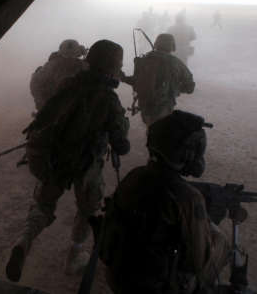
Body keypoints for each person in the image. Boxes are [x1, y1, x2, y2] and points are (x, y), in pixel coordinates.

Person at [5, 39, 130, 282]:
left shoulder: (69, 84)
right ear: (112, 66)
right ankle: (74, 257)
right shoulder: (108, 99)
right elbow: (122, 145)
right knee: (88, 210)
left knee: (43, 205)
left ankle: (24, 242)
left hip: (56, 158)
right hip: (86, 166)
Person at [98, 110, 231, 294]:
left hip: (117, 279)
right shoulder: (188, 197)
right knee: (221, 240)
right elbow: (196, 262)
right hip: (154, 287)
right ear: (186, 154)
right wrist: (203, 222)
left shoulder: (133, 176)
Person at [121, 33, 195, 127]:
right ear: (172, 45)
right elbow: (190, 88)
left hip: (144, 105)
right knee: (161, 133)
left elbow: (135, 81)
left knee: (152, 129)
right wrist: (174, 88)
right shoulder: (175, 62)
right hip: (164, 107)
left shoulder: (144, 59)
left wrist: (122, 77)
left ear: (156, 43)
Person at [29, 39, 88, 113]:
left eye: (72, 56)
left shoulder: (80, 65)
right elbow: (35, 83)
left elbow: (35, 83)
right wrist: (45, 103)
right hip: (58, 108)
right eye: (68, 56)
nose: (70, 59)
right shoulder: (53, 65)